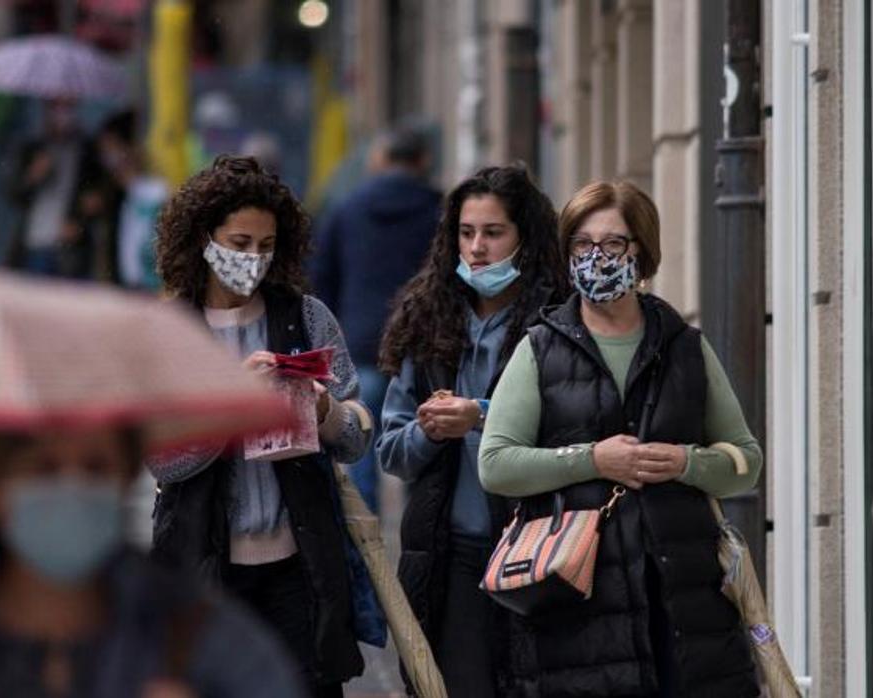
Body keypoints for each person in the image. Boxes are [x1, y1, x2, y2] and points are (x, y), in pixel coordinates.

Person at [478, 180, 762, 696]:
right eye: (582, 245)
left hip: (684, 604)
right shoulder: (540, 349)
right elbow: (496, 464)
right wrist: (592, 459)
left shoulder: (686, 348)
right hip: (581, 610)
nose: (596, 259)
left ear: (642, 255)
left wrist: (686, 462)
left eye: (612, 245)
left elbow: (745, 460)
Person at [0, 425, 306, 698]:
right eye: (43, 469)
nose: (72, 487)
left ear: (125, 479)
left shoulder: (203, 639)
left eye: (95, 468)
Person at [149, 156, 371, 698]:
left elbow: (359, 433)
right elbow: (161, 457)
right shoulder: (168, 330)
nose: (254, 259)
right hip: (205, 569)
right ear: (204, 237)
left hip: (300, 566)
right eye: (241, 243)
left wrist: (325, 413)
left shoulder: (306, 318)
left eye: (266, 247)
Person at [375, 165, 568, 697]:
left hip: (539, 545)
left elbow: (573, 429)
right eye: (466, 233)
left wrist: (481, 415)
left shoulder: (558, 322)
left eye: (493, 232)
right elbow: (391, 452)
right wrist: (431, 431)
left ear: (524, 238)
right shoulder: (428, 321)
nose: (477, 247)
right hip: (450, 551)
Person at [310, 126, 442, 512]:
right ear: (422, 161)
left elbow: (322, 278)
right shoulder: (438, 210)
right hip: (420, 347)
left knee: (360, 442)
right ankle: (417, 525)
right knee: (420, 442)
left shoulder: (346, 208)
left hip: (361, 342)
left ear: (382, 162)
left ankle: (370, 542)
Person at [7, 98, 120, 280]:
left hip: (71, 248)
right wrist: (32, 176)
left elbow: (99, 198)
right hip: (35, 242)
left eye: (67, 107)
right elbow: (14, 196)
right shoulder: (33, 147)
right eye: (56, 106)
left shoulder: (88, 150)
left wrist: (81, 222)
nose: (62, 114)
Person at [97, 109, 169, 292]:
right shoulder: (123, 195)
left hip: (148, 287)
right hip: (130, 285)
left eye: (110, 148)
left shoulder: (155, 193)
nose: (108, 157)